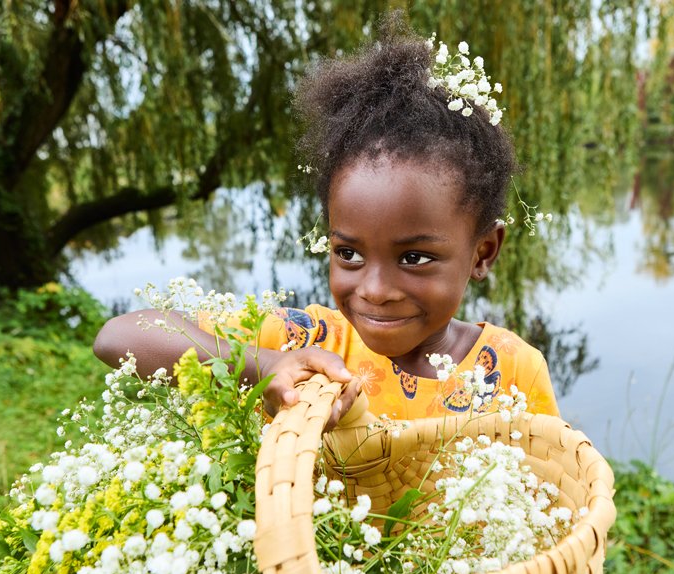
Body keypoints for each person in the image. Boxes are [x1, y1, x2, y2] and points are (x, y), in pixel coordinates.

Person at [93, 20, 560, 427]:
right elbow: (117, 337)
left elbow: (552, 491)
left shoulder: (514, 370)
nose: (375, 289)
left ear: (483, 252)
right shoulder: (306, 343)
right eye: (349, 253)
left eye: (414, 257)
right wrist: (260, 366)